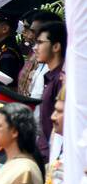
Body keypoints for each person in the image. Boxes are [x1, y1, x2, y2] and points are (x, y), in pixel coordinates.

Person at [33, 20, 65, 158]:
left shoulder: (62, 80)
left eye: (40, 43)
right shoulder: (50, 77)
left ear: (56, 46)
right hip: (44, 152)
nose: (35, 48)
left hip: (54, 155)